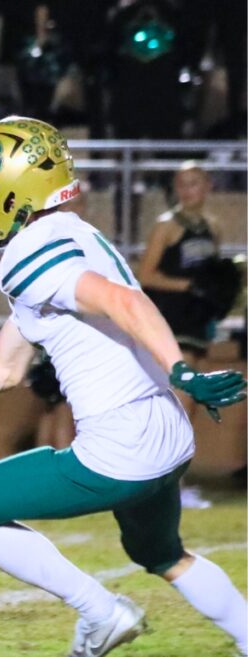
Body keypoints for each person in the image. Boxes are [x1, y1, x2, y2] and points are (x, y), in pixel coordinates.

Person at [0, 117, 247, 657]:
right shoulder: (74, 232)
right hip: (166, 434)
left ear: (14, 193)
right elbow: (4, 366)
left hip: (121, 443)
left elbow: (123, 302)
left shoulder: (27, 252)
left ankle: (101, 612)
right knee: (161, 554)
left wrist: (184, 370)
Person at [138, 163, 237, 510]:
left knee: (188, 402)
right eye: (181, 184)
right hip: (172, 319)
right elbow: (146, 275)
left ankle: (171, 481)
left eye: (194, 183)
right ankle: (165, 484)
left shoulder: (213, 227)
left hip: (197, 322)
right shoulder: (167, 225)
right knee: (181, 400)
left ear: (208, 186)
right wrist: (190, 285)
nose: (187, 190)